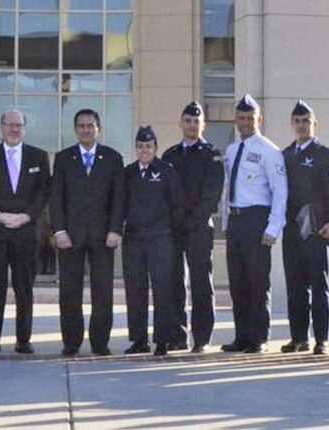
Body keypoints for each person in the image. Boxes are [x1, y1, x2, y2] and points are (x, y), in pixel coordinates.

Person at [0, 109, 51, 354]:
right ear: (1, 127)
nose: (14, 129)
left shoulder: (38, 157)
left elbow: (44, 192)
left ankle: (23, 339)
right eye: (10, 124)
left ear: (25, 128)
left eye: (19, 125)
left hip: (26, 232)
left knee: (24, 288)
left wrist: (27, 215)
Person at [50, 108, 125, 356]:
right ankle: (71, 343)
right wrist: (59, 230)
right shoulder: (63, 158)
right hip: (70, 237)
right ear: (75, 130)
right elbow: (56, 198)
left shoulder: (112, 158)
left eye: (90, 125)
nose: (85, 130)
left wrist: (115, 229)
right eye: (81, 126)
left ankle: (100, 342)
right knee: (69, 292)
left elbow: (118, 199)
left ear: (98, 128)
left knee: (102, 292)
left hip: (103, 237)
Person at [221, 94, 288, 354]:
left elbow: (280, 192)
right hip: (236, 221)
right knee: (238, 283)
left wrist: (273, 227)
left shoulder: (269, 151)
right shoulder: (231, 150)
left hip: (257, 220)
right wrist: (226, 224)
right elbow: (229, 189)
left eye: (251, 118)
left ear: (259, 119)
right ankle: (242, 336)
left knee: (258, 281)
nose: (246, 122)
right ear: (235, 120)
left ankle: (258, 337)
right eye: (242, 118)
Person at [280, 100, 329, 355]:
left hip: (317, 229)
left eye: (306, 121)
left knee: (319, 285)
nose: (301, 125)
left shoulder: (324, 155)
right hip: (291, 229)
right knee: (295, 285)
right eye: (297, 121)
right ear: (291, 125)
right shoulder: (284, 155)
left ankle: (322, 339)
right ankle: (299, 338)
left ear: (314, 124)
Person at [160, 101, 223, 353]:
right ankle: (177, 335)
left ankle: (202, 338)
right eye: (188, 120)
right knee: (174, 281)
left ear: (203, 124)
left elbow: (212, 195)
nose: (192, 125)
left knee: (200, 283)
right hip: (173, 229)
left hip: (198, 227)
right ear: (181, 123)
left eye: (196, 121)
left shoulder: (212, 155)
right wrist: (175, 220)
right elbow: (163, 193)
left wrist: (191, 219)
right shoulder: (170, 155)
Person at [122, 126, 184, 356]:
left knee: (162, 290)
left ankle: (162, 340)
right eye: (140, 146)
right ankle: (139, 340)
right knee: (135, 291)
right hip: (134, 240)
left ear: (155, 148)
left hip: (160, 239)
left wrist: (169, 232)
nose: (144, 150)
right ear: (136, 148)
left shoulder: (166, 171)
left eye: (148, 146)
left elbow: (177, 205)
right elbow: (120, 204)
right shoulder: (127, 173)